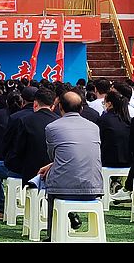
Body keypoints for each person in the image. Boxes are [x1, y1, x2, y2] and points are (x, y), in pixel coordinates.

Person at [0, 87, 58, 221]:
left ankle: (1, 208)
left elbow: (16, 149)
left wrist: (10, 162)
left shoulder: (23, 120)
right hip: (53, 171)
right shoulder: (59, 121)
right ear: (53, 105)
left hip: (26, 170)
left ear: (35, 104)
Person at [39, 90, 103, 236]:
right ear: (81, 108)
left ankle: (53, 235)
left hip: (62, 189)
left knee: (48, 181)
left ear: (60, 107)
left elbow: (53, 156)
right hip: (94, 187)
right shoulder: (94, 127)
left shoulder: (52, 127)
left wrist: (51, 166)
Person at [98, 90, 133, 200]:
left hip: (108, 160)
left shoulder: (104, 119)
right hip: (128, 160)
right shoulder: (128, 119)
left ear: (109, 104)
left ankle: (114, 184)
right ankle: (116, 184)